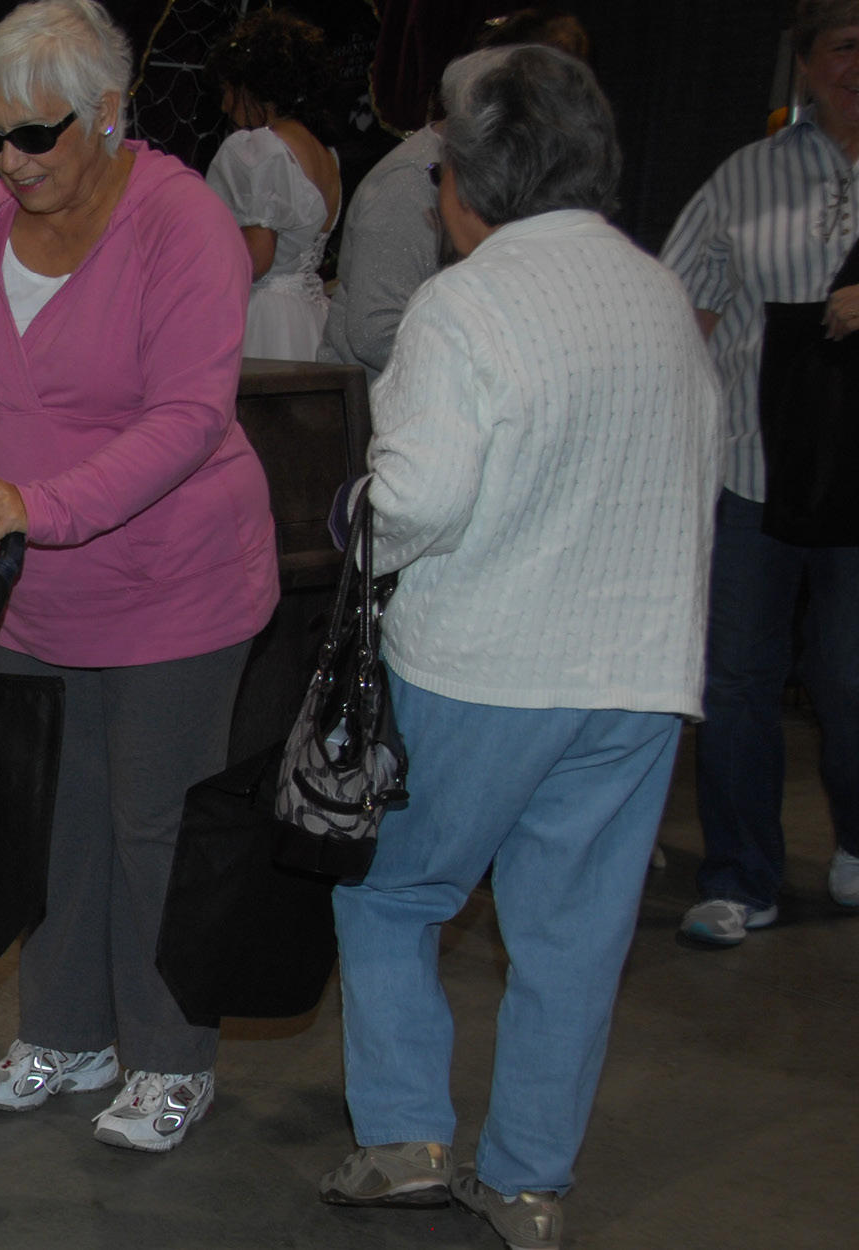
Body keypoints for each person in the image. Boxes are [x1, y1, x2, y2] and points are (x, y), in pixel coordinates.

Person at [0, 0, 275, 1154]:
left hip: (174, 583)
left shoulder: (181, 224)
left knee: (154, 825)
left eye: (36, 135)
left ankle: (171, 1055)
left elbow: (192, 415)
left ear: (106, 112)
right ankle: (67, 1030)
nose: (11, 159)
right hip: (37, 590)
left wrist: (45, 503)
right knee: (56, 819)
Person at [321, 47, 719, 1249]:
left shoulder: (468, 301)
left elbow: (423, 500)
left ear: (469, 181)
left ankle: (403, 1140)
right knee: (572, 939)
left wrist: (356, 515)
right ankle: (531, 1181)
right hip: (640, 675)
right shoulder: (654, 290)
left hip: (485, 666)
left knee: (392, 894)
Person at [661, 0, 859, 944]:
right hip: (754, 469)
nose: (857, 64)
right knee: (737, 680)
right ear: (808, 62)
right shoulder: (748, 176)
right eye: (843, 46)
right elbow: (680, 306)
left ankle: (857, 838)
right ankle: (741, 875)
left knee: (850, 674)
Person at [319, 49, 507, 381]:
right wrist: (491, 366)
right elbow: (373, 332)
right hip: (380, 411)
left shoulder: (480, 175)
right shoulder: (412, 180)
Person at [205, 9, 341, 362]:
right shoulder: (325, 153)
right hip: (310, 316)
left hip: (262, 317)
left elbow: (257, 257)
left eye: (227, 91)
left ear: (250, 86)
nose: (223, 105)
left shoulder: (256, 149)